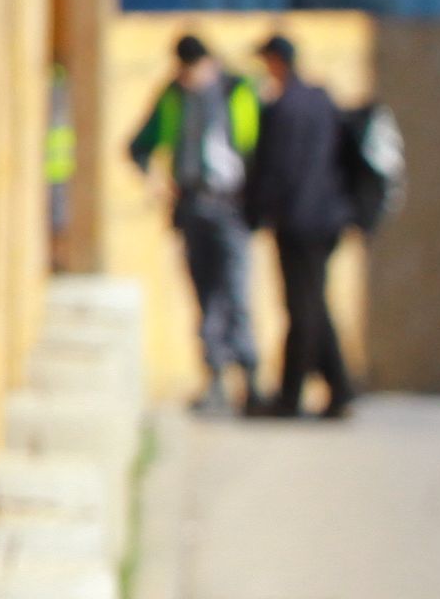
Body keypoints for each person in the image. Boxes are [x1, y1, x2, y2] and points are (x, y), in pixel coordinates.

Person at [124, 34, 259, 412]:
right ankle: (215, 377)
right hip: (192, 204)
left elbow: (259, 147)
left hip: (232, 205)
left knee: (236, 290)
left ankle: (249, 376)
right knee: (205, 295)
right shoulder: (173, 96)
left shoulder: (238, 92)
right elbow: (139, 145)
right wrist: (154, 181)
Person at [238, 33, 358, 420]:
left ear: (276, 62)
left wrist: (254, 212)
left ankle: (293, 395)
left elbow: (274, 170)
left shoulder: (282, 108)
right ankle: (338, 388)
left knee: (303, 308)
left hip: (298, 220)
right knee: (313, 304)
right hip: (327, 217)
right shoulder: (321, 100)